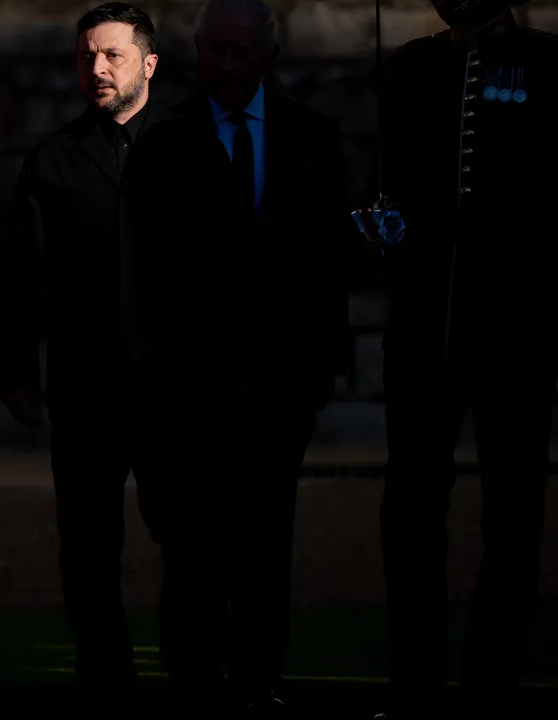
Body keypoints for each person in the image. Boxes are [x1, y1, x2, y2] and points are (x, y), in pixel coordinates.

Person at [122, 0, 351, 715]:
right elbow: (145, 268)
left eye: (239, 52)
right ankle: (193, 677)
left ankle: (258, 675)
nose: (224, 64)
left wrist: (314, 366)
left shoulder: (314, 137)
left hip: (281, 379)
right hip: (191, 381)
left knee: (265, 534)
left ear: (266, 57)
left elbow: (326, 264)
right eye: (214, 49)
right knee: (192, 538)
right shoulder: (163, 139)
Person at [363, 1, 558, 717]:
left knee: (514, 513)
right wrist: (382, 226)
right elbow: (387, 179)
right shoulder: (412, 67)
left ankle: (492, 685)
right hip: (425, 326)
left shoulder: (544, 64)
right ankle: (413, 681)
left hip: (517, 327)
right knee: (410, 508)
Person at [0, 2, 160, 710]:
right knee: (89, 549)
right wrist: (18, 374)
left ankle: (198, 674)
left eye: (113, 55)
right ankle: (104, 679)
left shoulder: (189, 148)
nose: (97, 69)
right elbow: (21, 278)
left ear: (149, 63)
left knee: (191, 540)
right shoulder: (53, 159)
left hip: (172, 388)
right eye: (87, 56)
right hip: (85, 387)